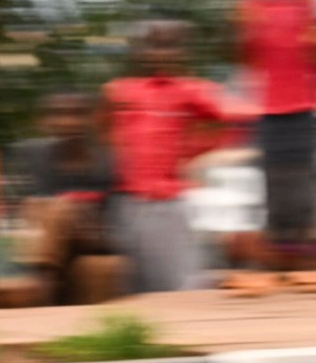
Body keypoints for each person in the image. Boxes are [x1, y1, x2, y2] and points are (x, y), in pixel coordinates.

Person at [228, 0, 316, 293]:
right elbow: (240, 56)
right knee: (274, 188)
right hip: (269, 111)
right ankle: (269, 265)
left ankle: (307, 263)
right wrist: (239, 32)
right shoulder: (249, 7)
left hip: (307, 108)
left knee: (307, 188)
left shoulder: (310, 3)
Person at [102, 20, 247, 294]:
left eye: (169, 46)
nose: (160, 54)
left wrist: (196, 151)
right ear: (138, 50)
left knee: (177, 285)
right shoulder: (119, 91)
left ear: (184, 51)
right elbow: (102, 134)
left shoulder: (191, 89)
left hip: (166, 202)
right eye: (152, 46)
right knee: (133, 286)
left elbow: (236, 118)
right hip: (125, 201)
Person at [8, 91, 119, 304]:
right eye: (59, 114)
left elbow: (117, 221)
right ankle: (42, 282)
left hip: (92, 240)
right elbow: (22, 213)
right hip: (44, 241)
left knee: (59, 209)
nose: (69, 122)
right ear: (44, 121)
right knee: (46, 207)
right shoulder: (33, 158)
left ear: (91, 119)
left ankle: (38, 293)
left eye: (78, 114)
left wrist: (77, 217)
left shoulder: (107, 162)